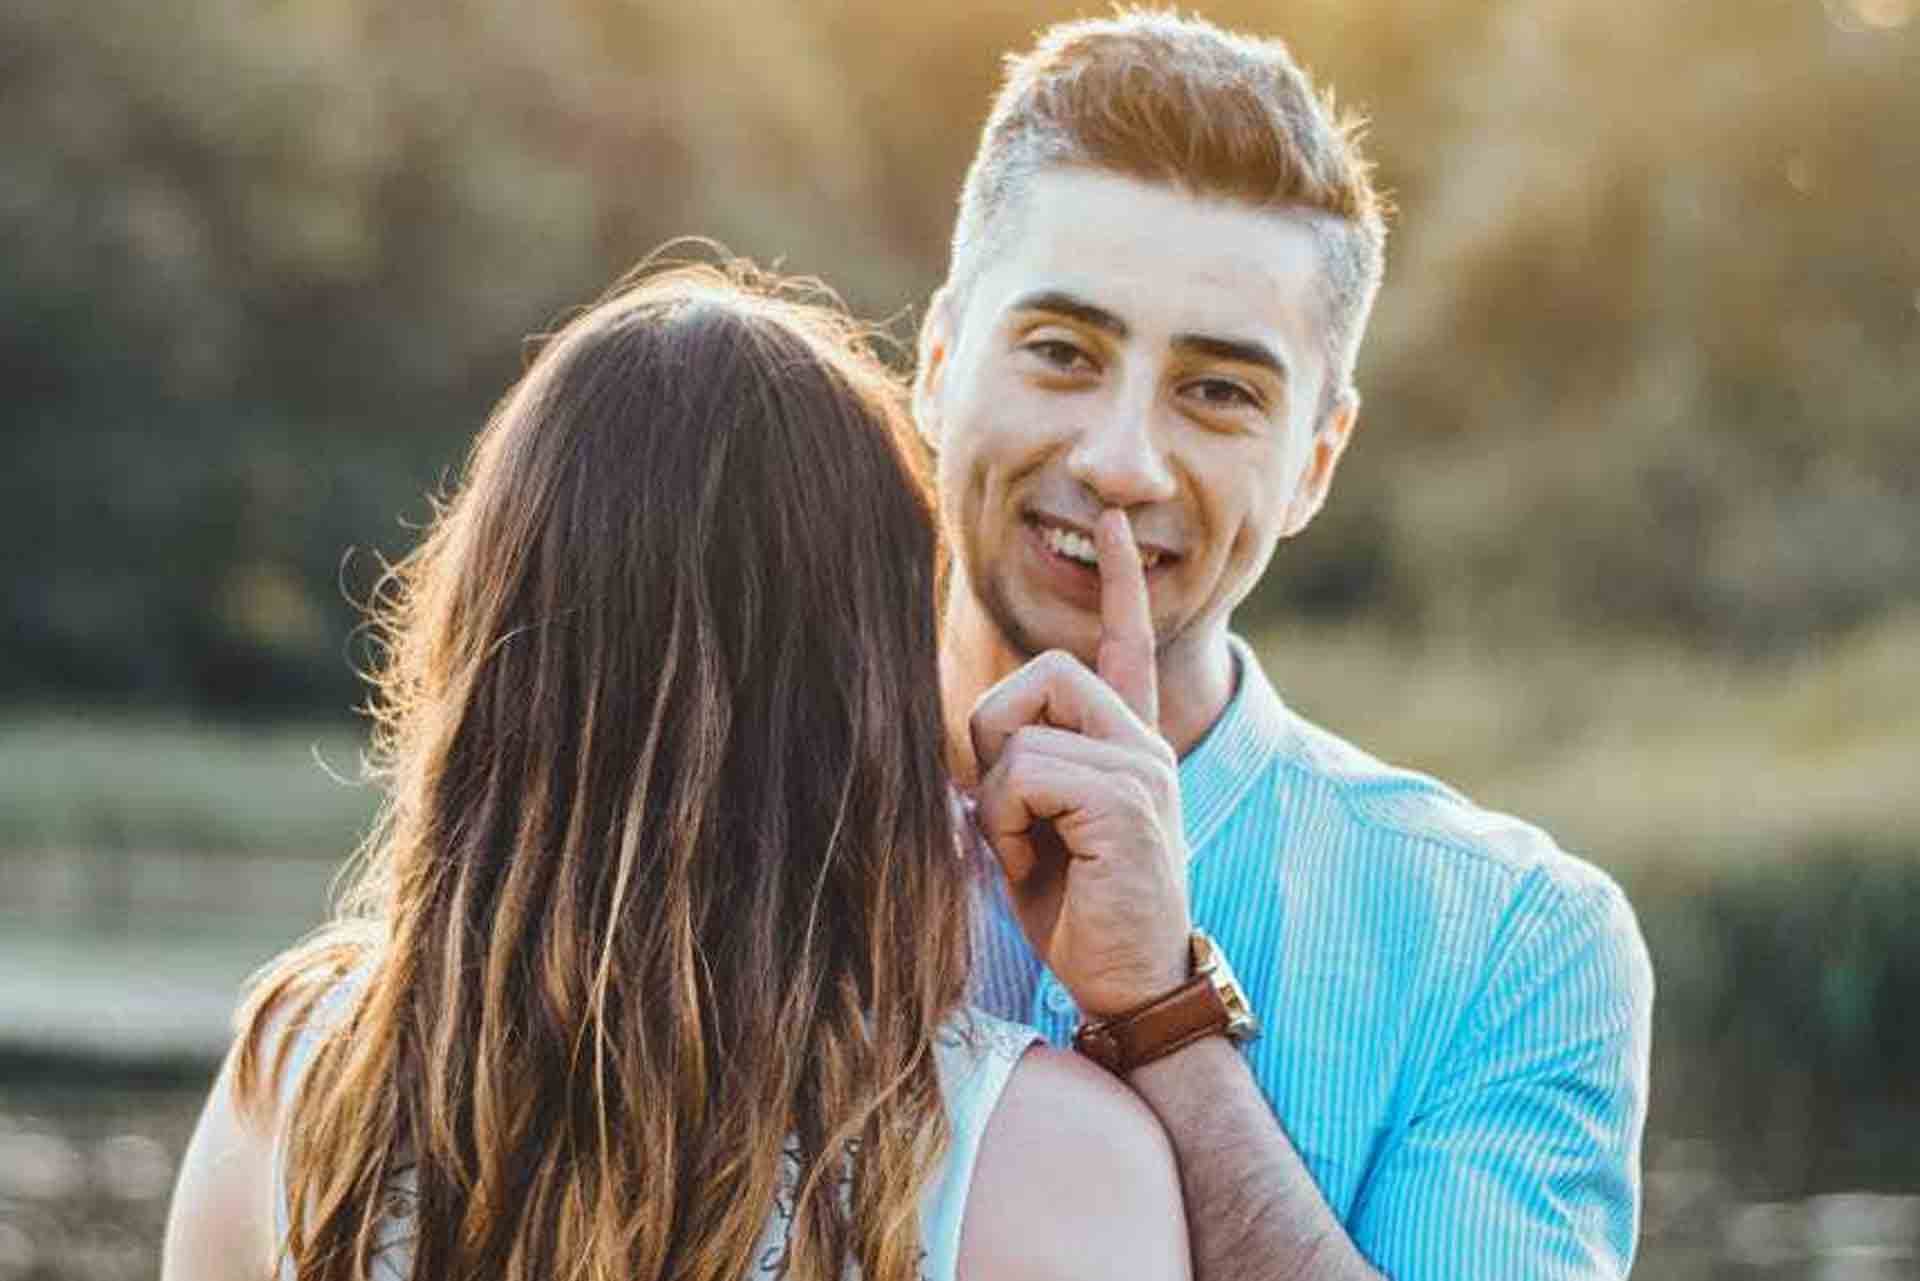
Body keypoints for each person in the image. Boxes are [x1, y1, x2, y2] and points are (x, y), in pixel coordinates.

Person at [161, 262, 1190, 1281]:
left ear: (482, 656)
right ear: (875, 695)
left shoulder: (299, 1084)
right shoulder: (1051, 1166)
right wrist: (1156, 1009)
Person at [914, 13, 1654, 1281]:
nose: (1119, 459)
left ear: (1317, 460)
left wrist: (1163, 1020)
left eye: (1218, 392)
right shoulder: (693, 846)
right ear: (936, 362)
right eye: (1060, 352)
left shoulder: (1513, 949)